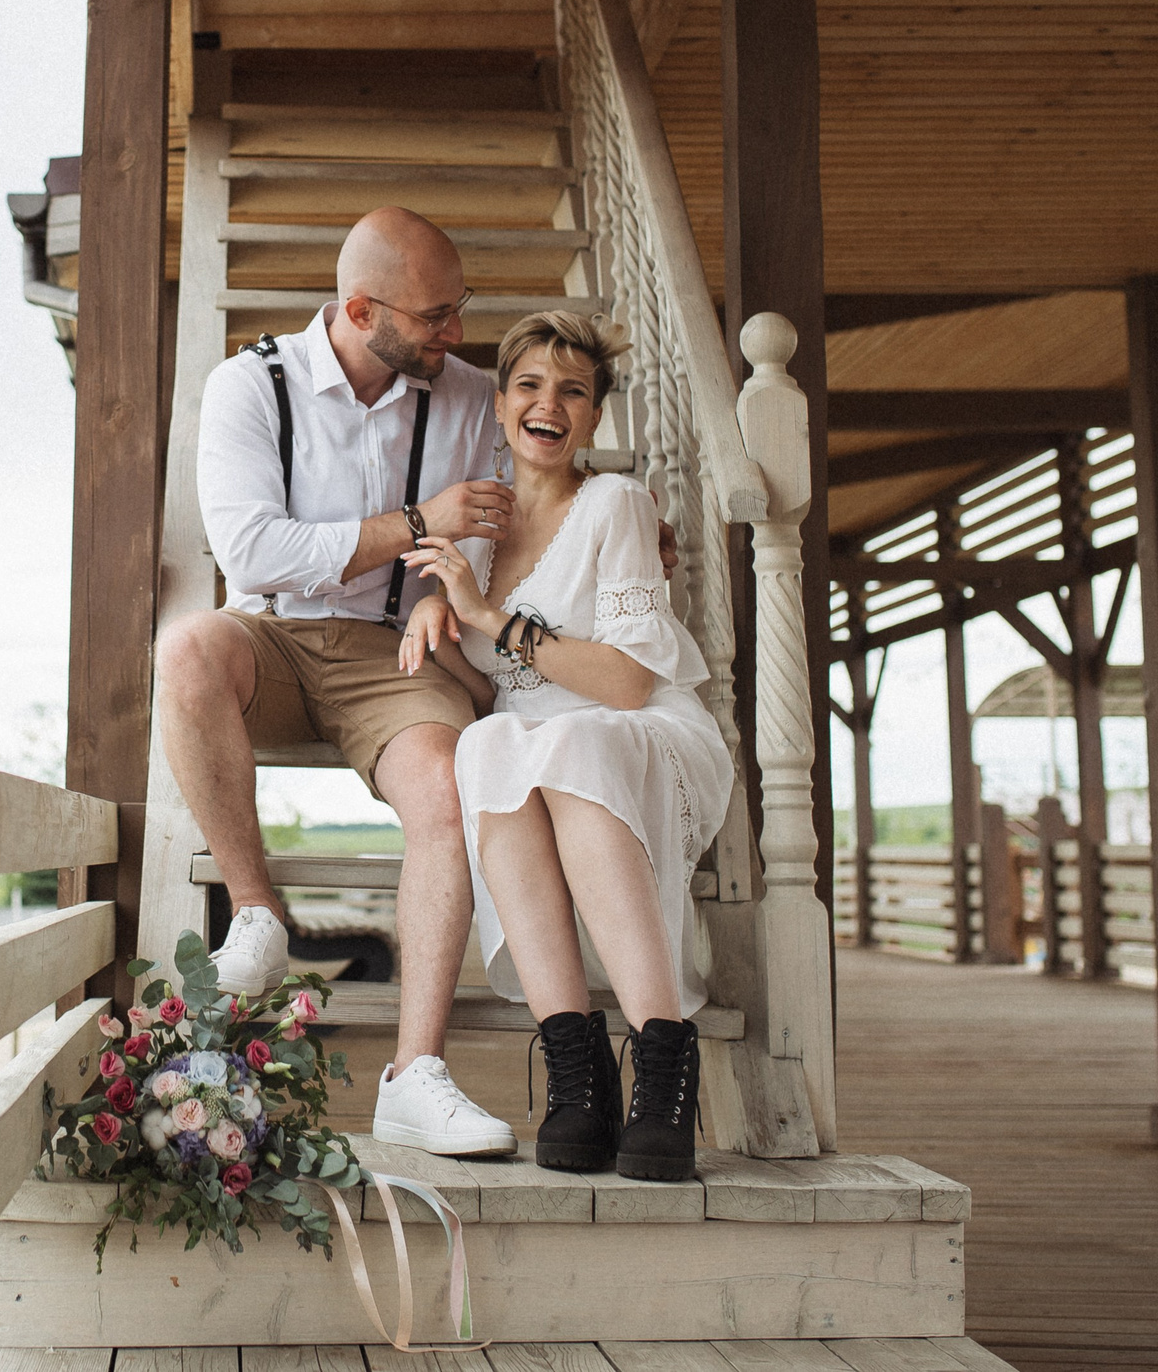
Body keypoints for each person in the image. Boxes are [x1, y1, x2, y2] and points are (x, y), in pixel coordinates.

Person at [155, 205, 519, 1157]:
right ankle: (259, 913)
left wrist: (456, 578)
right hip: (271, 638)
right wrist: (414, 523)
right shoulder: (249, 385)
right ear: (362, 310)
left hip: (399, 650)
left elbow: (495, 520)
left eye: (460, 307)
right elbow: (251, 547)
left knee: (446, 786)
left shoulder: (473, 395)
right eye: (436, 315)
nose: (456, 332)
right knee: (187, 647)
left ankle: (416, 1076)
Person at [396, 309, 733, 1183]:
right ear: (502, 404)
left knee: (570, 743)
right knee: (489, 749)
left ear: (593, 415)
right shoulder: (475, 528)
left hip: (640, 728)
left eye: (574, 391)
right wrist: (439, 618)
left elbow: (624, 683)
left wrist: (486, 617)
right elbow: (489, 691)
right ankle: (578, 1077)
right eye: (531, 385)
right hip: (540, 746)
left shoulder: (615, 503)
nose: (551, 404)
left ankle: (663, 1069)